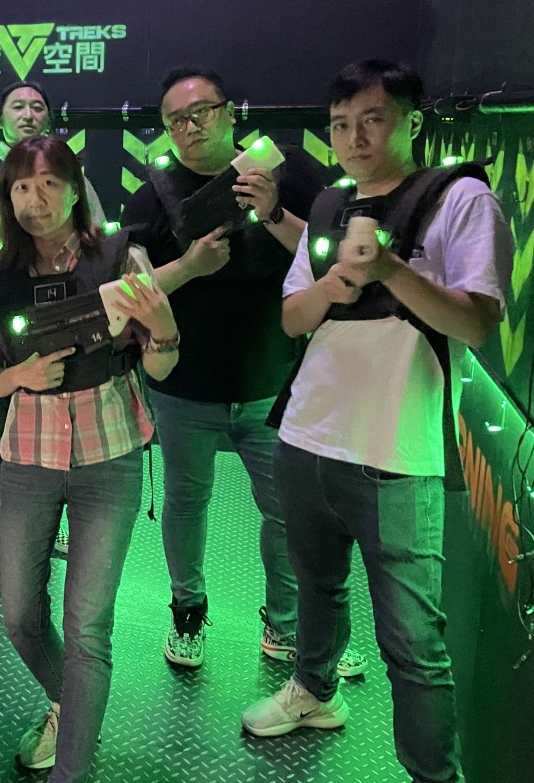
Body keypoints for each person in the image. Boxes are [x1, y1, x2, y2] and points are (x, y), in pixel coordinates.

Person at [241, 61, 513, 783]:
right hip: (305, 437)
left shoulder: (460, 199)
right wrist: (336, 282)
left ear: (411, 122)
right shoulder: (330, 204)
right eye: (339, 125)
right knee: (316, 586)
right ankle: (315, 689)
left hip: (396, 452)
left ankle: (433, 773)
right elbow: (293, 317)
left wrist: (392, 270)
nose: (354, 137)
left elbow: (477, 323)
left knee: (414, 645)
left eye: (372, 119)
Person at [122, 65, 366, 675]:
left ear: (231, 113)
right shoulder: (152, 194)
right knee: (185, 503)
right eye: (175, 120)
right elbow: (130, 292)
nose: (190, 127)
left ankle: (286, 624)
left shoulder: (288, 172)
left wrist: (275, 212)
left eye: (202, 112)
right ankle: (187, 611)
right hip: (184, 384)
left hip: (271, 382)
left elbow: (333, 262)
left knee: (286, 511)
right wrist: (189, 266)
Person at [0, 135, 179, 783]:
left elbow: (162, 365)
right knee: (18, 613)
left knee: (88, 627)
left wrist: (164, 329)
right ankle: (72, 705)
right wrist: (18, 377)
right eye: (21, 187)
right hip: (28, 455)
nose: (35, 200)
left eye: (49, 184)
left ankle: (71, 767)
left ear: (75, 189)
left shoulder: (119, 257)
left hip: (108, 451)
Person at [0, 81, 105, 558]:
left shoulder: (72, 176)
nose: (28, 114)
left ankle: (55, 522)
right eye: (18, 106)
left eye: (37, 107)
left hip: (66, 317)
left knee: (67, 426)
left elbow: (96, 239)